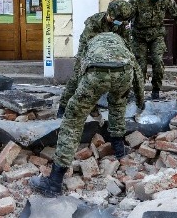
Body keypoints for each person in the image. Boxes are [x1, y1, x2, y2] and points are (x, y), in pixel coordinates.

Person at [30, 32, 144, 197]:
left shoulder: (90, 43)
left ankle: (54, 182)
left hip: (96, 72)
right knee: (118, 107)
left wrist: (66, 105)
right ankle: (119, 150)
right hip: (124, 72)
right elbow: (138, 73)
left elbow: (76, 78)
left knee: (73, 122)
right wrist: (141, 101)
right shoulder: (122, 43)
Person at [57, 0, 135, 118]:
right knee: (77, 76)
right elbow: (86, 47)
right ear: (110, 14)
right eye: (118, 20)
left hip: (112, 53)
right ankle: (63, 106)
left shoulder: (122, 24)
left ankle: (101, 107)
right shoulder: (94, 23)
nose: (121, 23)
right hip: (91, 49)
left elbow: (127, 43)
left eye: (123, 20)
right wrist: (83, 64)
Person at [129, 0, 177, 100]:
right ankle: (138, 93)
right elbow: (127, 14)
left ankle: (156, 90)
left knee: (158, 62)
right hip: (139, 36)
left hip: (156, 35)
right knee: (140, 66)